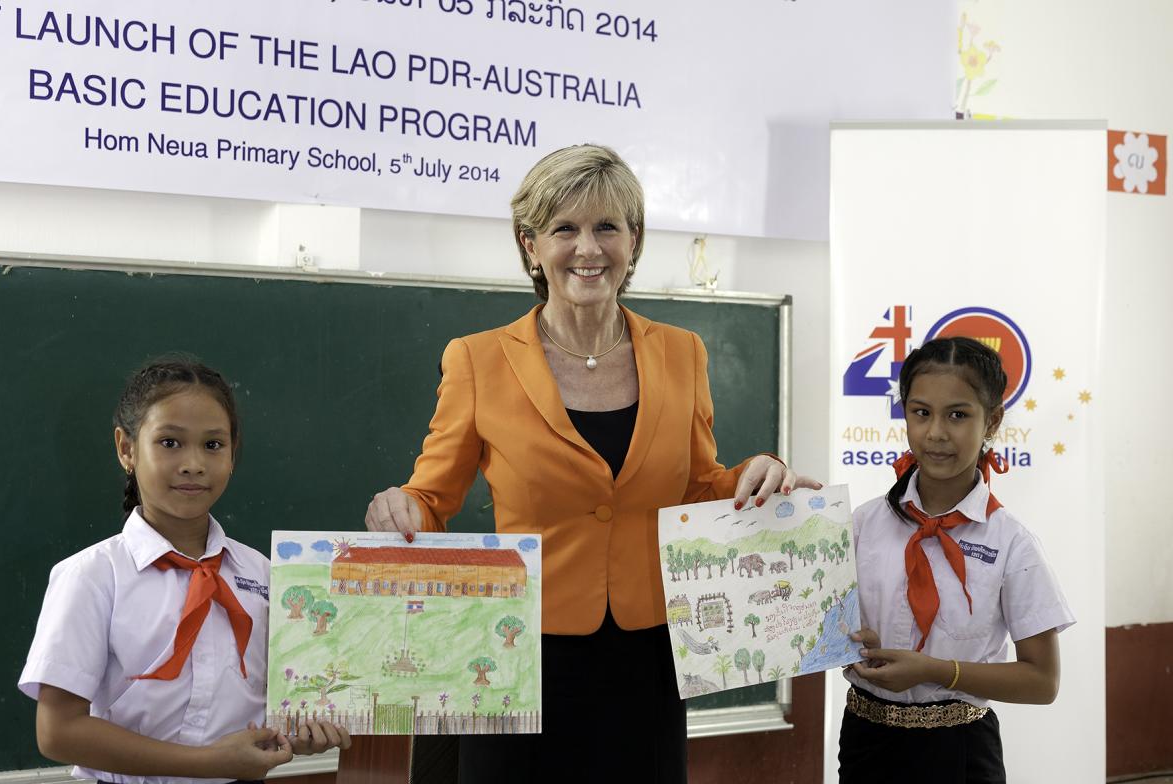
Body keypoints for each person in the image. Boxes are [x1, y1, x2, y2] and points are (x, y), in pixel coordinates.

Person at [365, 143, 820, 782]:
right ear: (531, 246)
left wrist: (754, 473)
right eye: (565, 229)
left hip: (648, 658)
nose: (588, 248)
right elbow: (430, 499)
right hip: (513, 652)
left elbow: (697, 487)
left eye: (607, 226)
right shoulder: (477, 360)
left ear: (633, 241)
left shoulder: (682, 353)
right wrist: (401, 506)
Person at [19, 356, 351, 784]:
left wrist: (297, 732)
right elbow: (58, 732)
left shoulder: (267, 575)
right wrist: (208, 763)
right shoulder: (92, 576)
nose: (194, 463)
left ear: (233, 455)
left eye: (213, 445)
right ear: (126, 449)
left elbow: (277, 700)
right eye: (170, 442)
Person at [840, 337, 1075, 783]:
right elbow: (823, 625)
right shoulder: (862, 524)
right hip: (864, 744)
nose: (936, 434)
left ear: (993, 421)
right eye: (921, 412)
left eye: (958, 415)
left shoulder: (1013, 543)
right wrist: (853, 643)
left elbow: (1043, 681)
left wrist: (935, 672)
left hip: (961, 753)